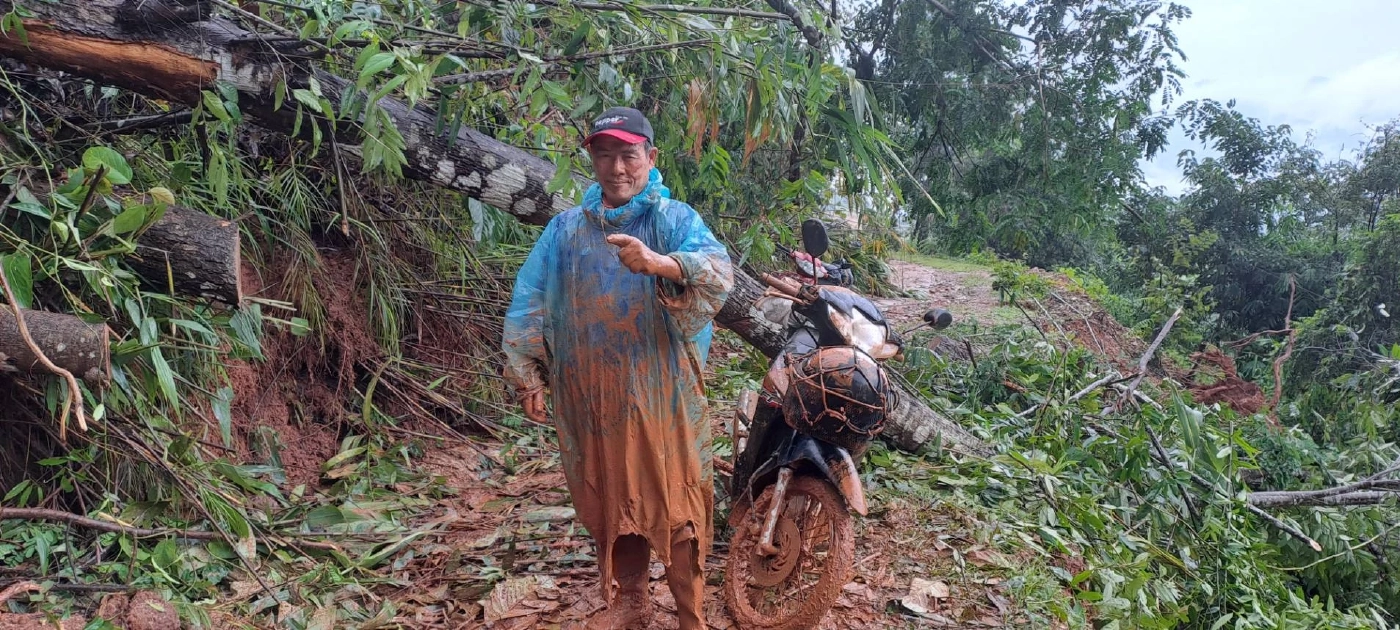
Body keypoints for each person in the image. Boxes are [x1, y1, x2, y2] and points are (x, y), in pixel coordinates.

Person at [502, 106, 734, 630]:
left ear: (651, 159)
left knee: (677, 506)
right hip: (591, 395)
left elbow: (719, 276)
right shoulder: (566, 229)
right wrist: (527, 374)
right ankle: (630, 600)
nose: (616, 168)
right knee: (613, 499)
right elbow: (530, 301)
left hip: (663, 396)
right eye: (604, 155)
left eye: (628, 155)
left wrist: (660, 264)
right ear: (592, 160)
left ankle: (690, 613)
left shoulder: (674, 221)